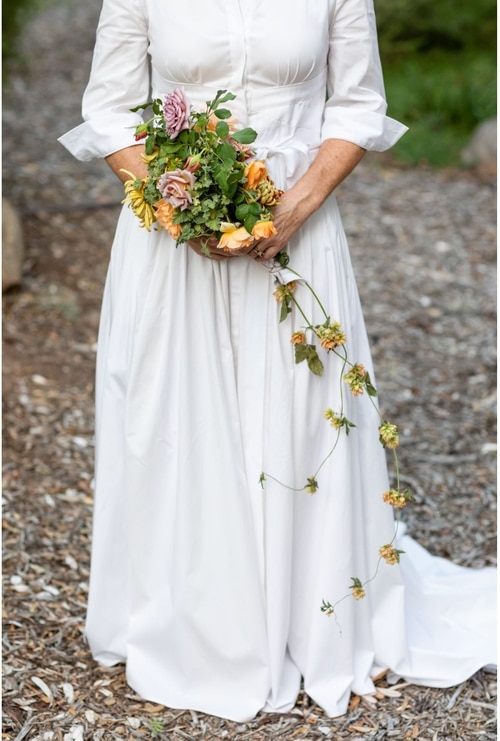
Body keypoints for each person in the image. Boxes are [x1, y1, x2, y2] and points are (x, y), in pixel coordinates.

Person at [59, 0, 496, 722]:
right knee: (177, 422)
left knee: (301, 416)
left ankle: (306, 614)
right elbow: (108, 110)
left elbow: (358, 104)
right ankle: (192, 616)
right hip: (173, 244)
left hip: (299, 230)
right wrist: (178, 207)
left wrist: (294, 207)